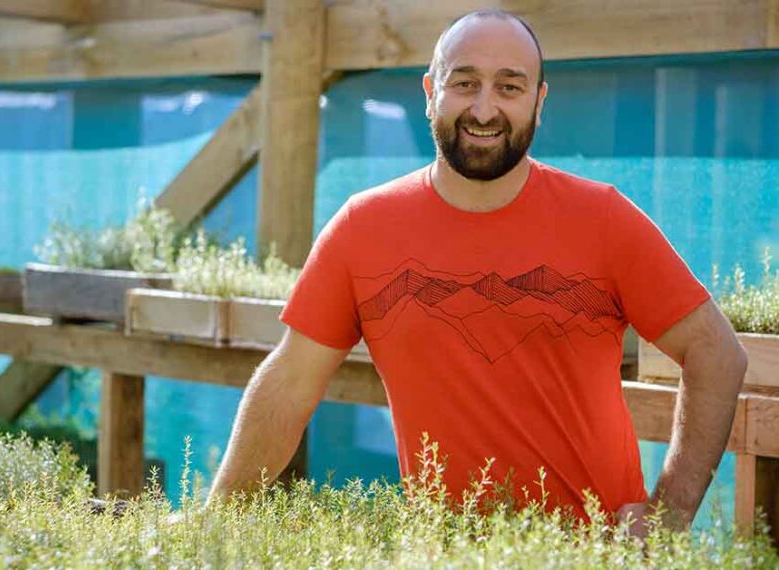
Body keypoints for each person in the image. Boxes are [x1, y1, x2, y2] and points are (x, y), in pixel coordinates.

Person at [206, 9, 747, 537]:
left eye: (509, 88)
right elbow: (288, 383)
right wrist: (212, 526)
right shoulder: (362, 229)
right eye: (464, 83)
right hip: (445, 552)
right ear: (429, 92)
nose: (484, 109)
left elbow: (716, 353)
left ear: (539, 101)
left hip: (592, 554)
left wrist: (669, 515)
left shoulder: (603, 218)